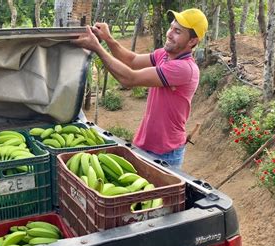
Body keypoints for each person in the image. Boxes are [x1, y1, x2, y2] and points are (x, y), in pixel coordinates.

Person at [72, 8, 208, 169]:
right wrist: (108, 38)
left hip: (165, 153)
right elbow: (133, 60)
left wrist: (97, 47)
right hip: (144, 144)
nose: (169, 34)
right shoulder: (164, 55)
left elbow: (130, 79)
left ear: (192, 41)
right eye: (171, 27)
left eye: (177, 31)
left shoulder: (184, 69)